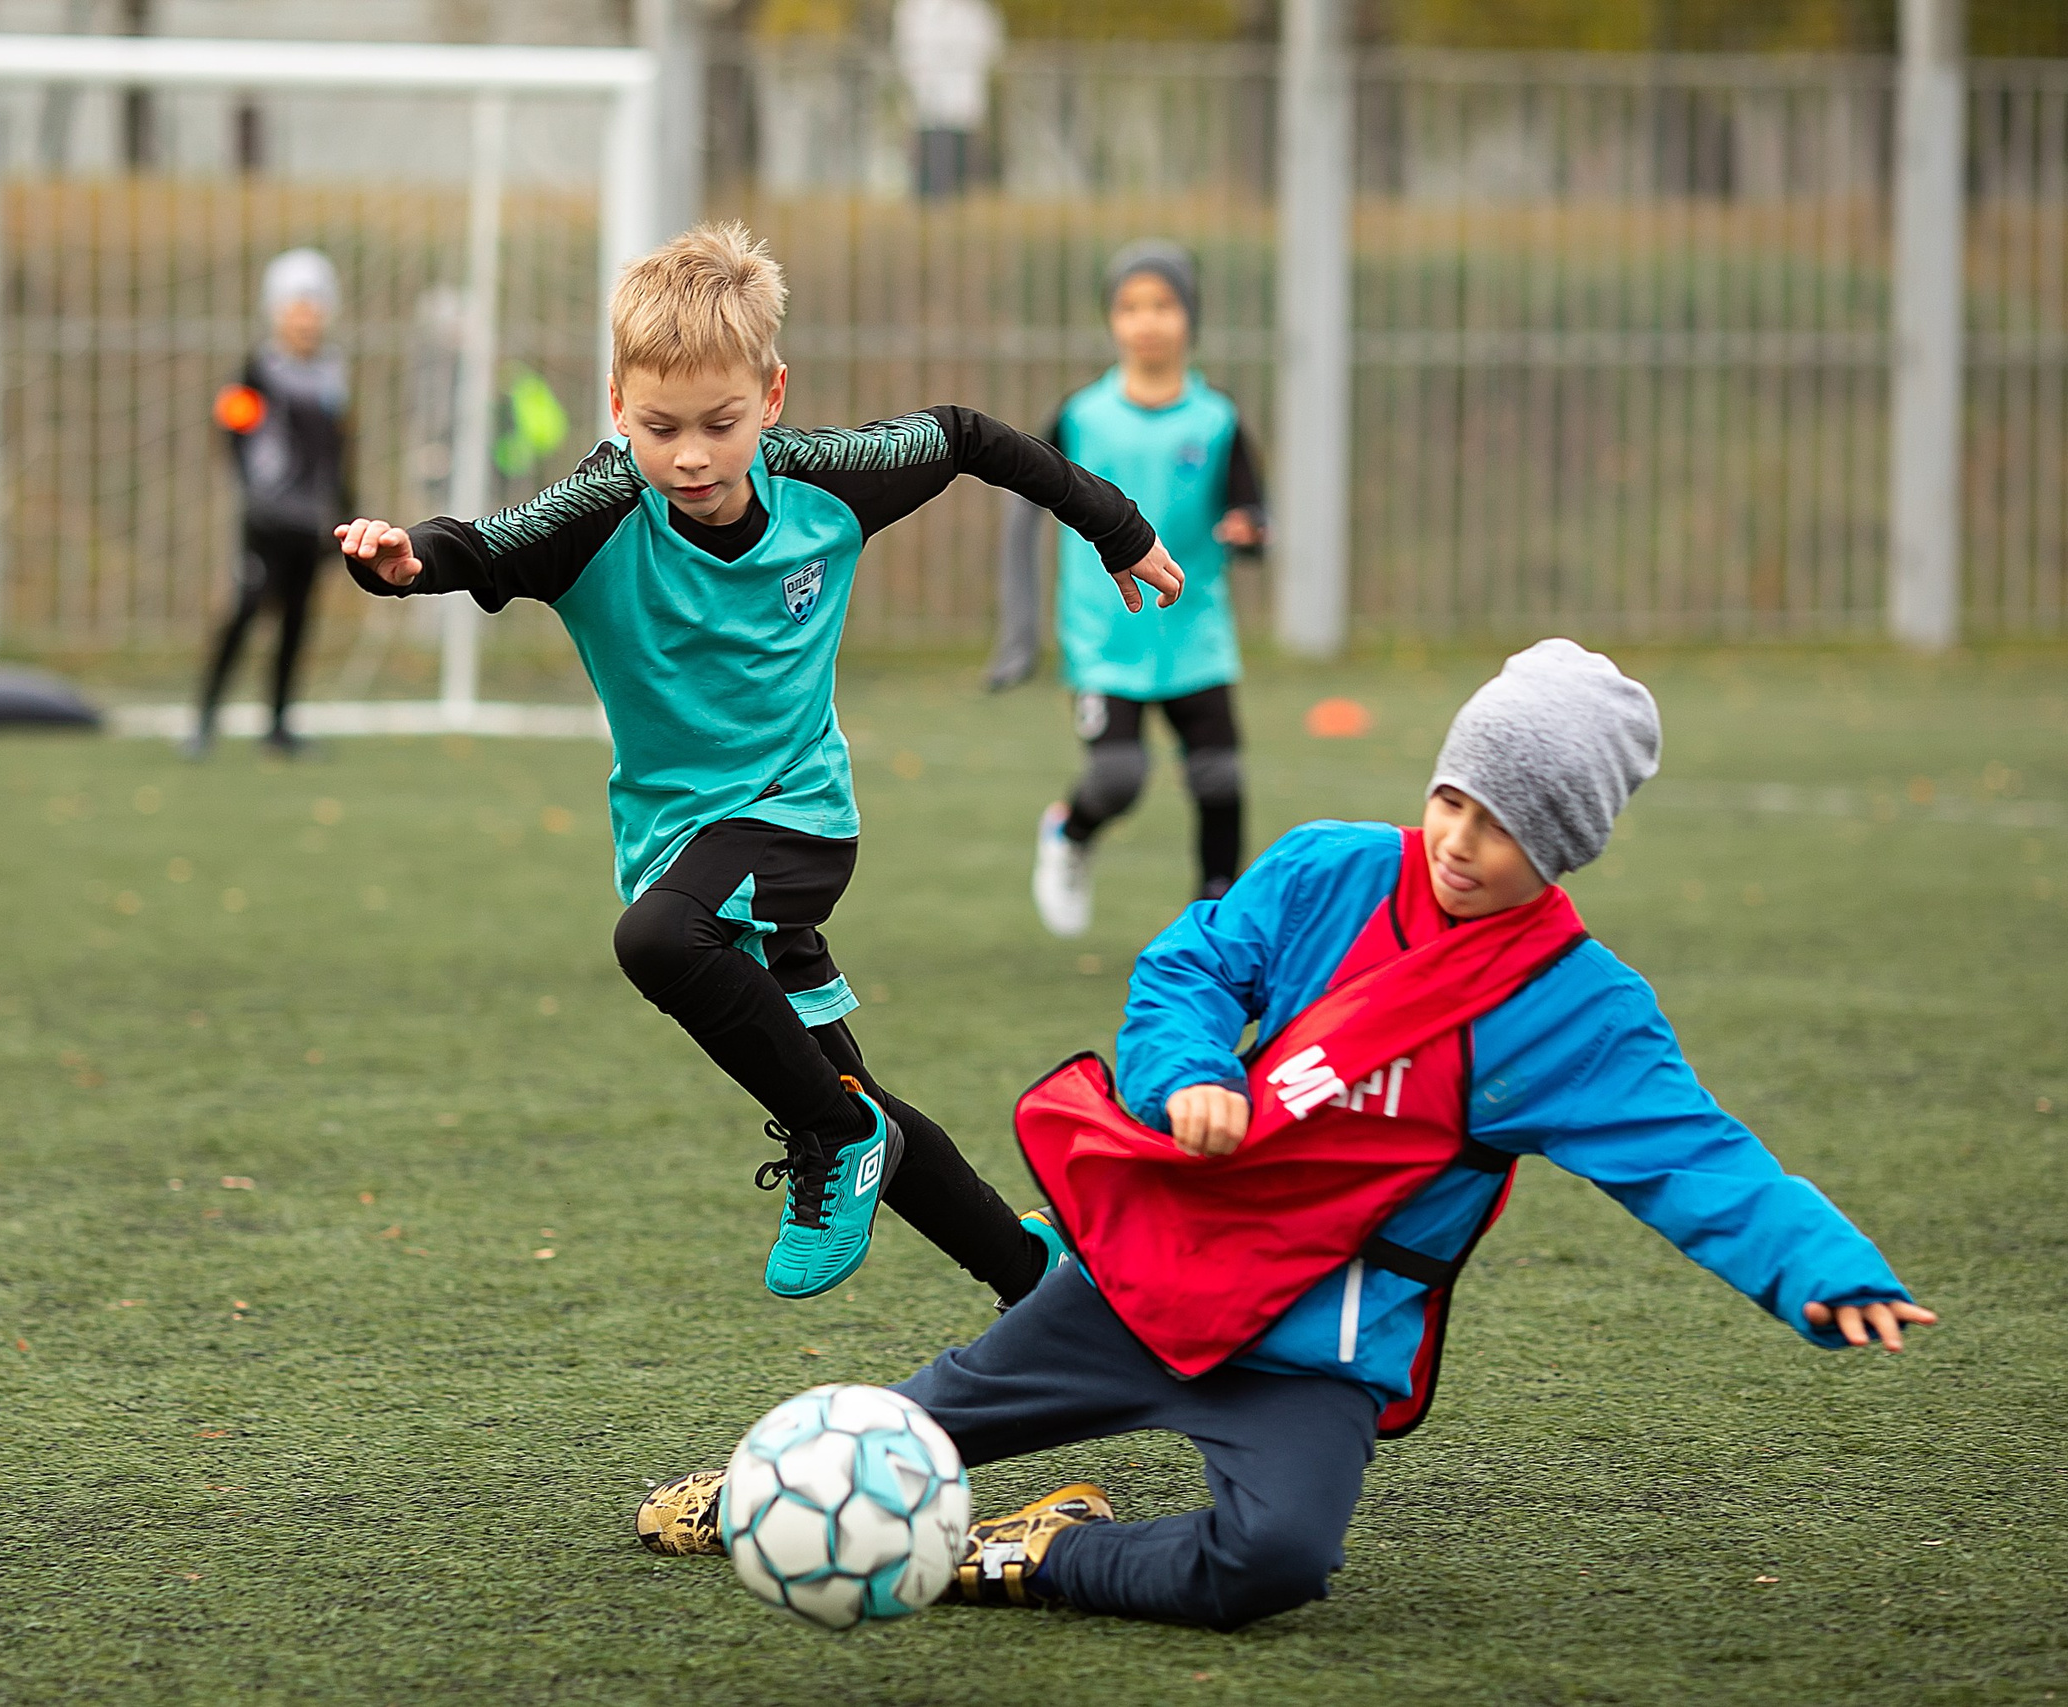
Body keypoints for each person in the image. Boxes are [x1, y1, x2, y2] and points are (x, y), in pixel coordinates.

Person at [637, 639, 1936, 1629]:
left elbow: (1695, 1154)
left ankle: (1009, 1551)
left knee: (1277, 1562)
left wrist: (1828, 1268)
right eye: (1456, 798)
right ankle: (761, 1481)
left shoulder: (1577, 1010)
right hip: (1160, 1271)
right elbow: (1190, 962)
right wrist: (1190, 1070)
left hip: (1316, 1342)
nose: (1464, 843)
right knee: (924, 1417)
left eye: (1513, 828)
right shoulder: (1330, 867)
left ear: (1571, 850)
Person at [336, 222, 1183, 1307]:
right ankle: (1039, 1284)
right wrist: (402, 565)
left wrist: (1111, 524)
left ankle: (836, 1141)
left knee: (661, 947)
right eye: (660, 427)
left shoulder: (823, 480)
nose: (690, 455)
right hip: (677, 842)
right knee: (846, 1082)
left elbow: (967, 435)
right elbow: (480, 543)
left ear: (771, 397)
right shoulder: (597, 512)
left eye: (720, 424)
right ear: (615, 405)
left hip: (796, 820)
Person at [991, 241, 1267, 937]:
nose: (1147, 321)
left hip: (1195, 632)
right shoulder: (1081, 417)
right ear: (1112, 321)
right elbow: (1023, 506)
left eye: (1163, 305)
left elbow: (1252, 509)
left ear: (1190, 317)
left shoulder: (1217, 420)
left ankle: (1216, 918)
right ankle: (1069, 831)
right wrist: (1019, 629)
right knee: (1117, 778)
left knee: (1221, 783)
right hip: (1103, 633)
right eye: (1130, 306)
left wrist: (1250, 530)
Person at [187, 248, 352, 759]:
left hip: (311, 522)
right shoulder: (258, 371)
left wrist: (345, 512)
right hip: (266, 521)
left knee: (297, 620)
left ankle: (278, 725)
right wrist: (254, 492)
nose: (306, 316)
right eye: (296, 305)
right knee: (244, 611)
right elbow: (233, 429)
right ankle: (205, 719)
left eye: (314, 305)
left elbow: (340, 448)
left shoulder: (331, 375)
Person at [893, 0, 1003, 200]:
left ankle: (953, 195)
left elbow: (990, 47)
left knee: (957, 149)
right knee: (930, 144)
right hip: (927, 89)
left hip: (960, 91)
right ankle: (928, 196)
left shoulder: (975, 10)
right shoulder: (916, 8)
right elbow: (907, 49)